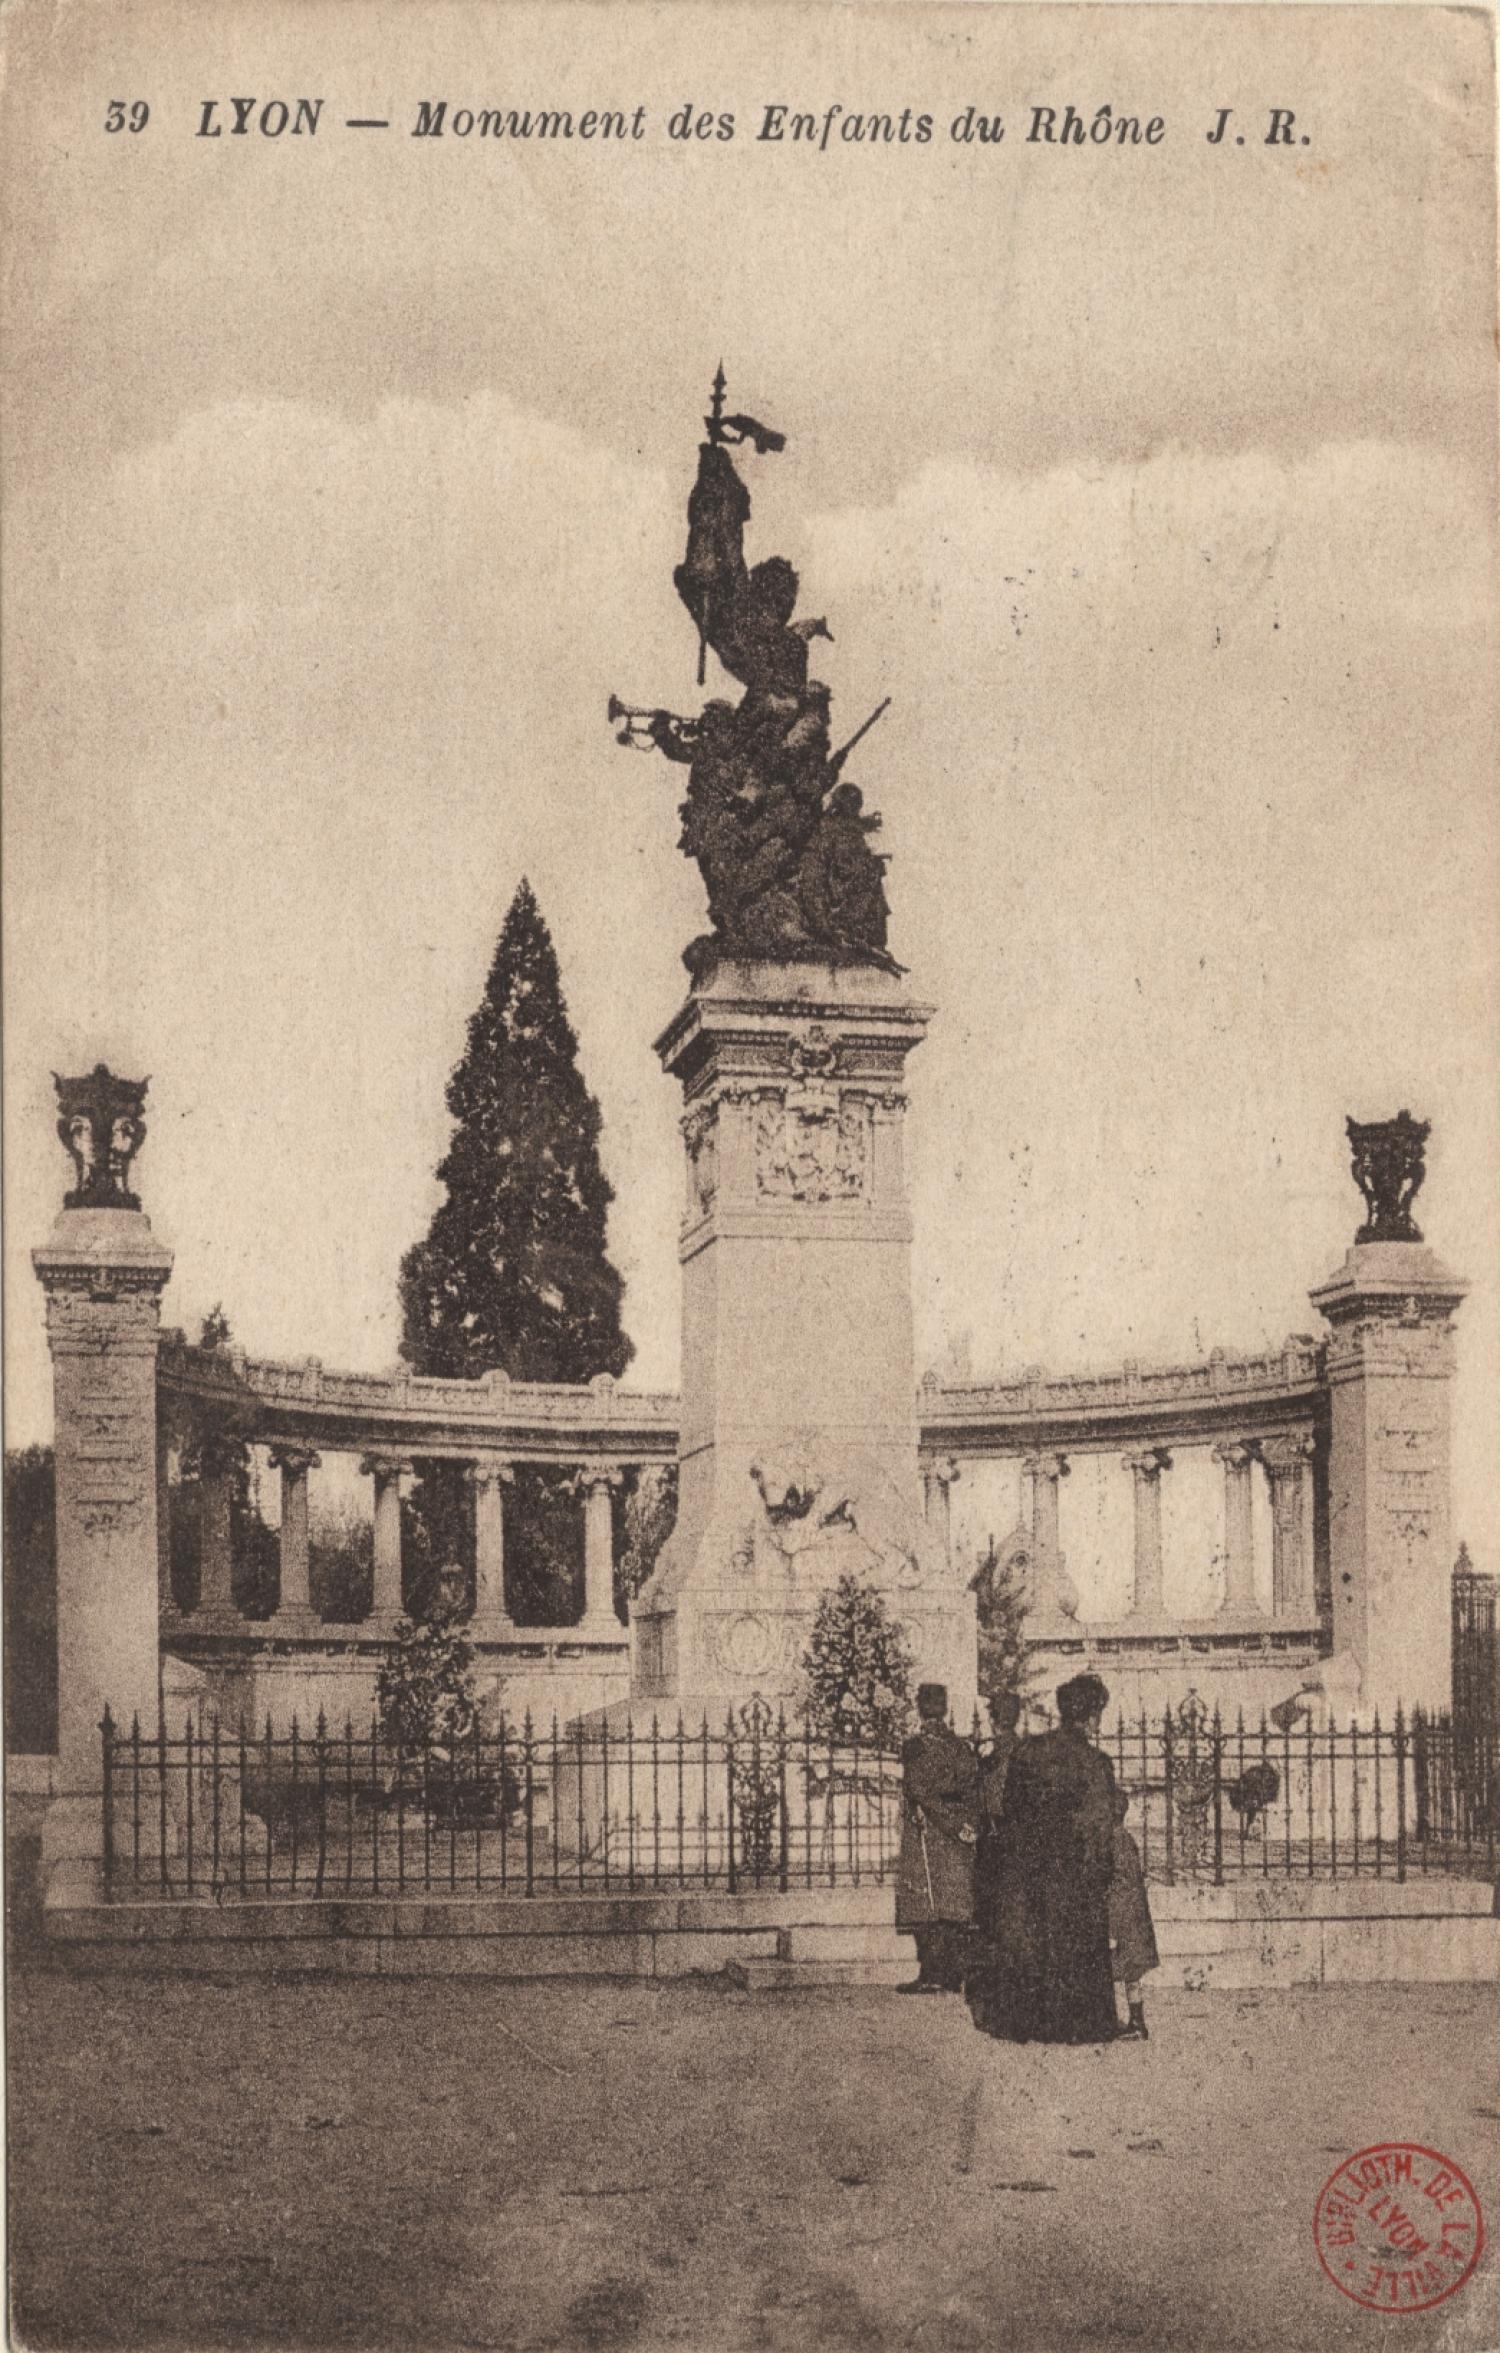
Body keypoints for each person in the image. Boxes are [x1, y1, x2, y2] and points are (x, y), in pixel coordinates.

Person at [970, 1672, 1119, 2044]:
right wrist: (1102, 1871)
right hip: (1074, 1870)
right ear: (1090, 1715)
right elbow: (1098, 1826)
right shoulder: (1096, 1762)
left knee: (1034, 1944)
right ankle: (1076, 2025)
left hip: (1031, 1867)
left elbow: (1009, 1808)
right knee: (1076, 1944)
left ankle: (1029, 2022)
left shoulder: (1029, 1751)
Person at [894, 1683, 980, 1993]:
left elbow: (918, 1790)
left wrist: (949, 1822)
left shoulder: (915, 1747)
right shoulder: (960, 1746)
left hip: (929, 1829)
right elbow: (973, 1789)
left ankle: (933, 1975)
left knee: (927, 1903)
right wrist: (966, 1824)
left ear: (920, 1707)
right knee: (952, 1904)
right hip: (956, 1830)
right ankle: (952, 1974)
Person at [1108, 1788, 1159, 2039]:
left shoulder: (1113, 1842)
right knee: (1131, 1975)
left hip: (1122, 1921)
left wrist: (1111, 1930)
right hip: (1133, 1921)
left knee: (1108, 1971)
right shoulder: (1125, 1839)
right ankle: (1137, 2023)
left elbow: (1119, 1888)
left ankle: (1115, 2022)